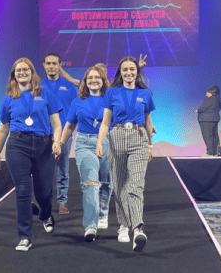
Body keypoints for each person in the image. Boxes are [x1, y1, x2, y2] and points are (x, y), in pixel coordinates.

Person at [0, 57, 62, 251]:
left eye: (25, 70)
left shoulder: (46, 94)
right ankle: (25, 236)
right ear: (13, 75)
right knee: (23, 191)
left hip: (44, 144)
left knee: (44, 191)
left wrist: (57, 141)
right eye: (18, 70)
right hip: (17, 144)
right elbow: (2, 129)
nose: (22, 73)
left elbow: (56, 124)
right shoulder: (8, 98)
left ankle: (45, 214)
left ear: (32, 72)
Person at [96, 56, 155, 252]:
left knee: (136, 185)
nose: (129, 73)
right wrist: (99, 143)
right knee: (120, 185)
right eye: (125, 70)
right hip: (117, 137)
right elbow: (105, 122)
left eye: (132, 69)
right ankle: (123, 225)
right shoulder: (112, 92)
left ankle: (137, 230)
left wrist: (150, 145)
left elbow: (148, 121)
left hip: (138, 138)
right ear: (120, 73)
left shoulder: (145, 93)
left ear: (137, 72)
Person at [58, 66, 113, 242]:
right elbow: (69, 126)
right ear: (85, 81)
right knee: (90, 183)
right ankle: (90, 225)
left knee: (106, 182)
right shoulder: (78, 101)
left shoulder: (110, 98)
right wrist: (60, 144)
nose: (93, 80)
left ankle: (103, 213)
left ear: (103, 80)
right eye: (89, 78)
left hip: (105, 142)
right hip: (84, 143)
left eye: (97, 77)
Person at [41, 53, 78, 214]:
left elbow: (76, 109)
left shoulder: (70, 86)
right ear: (43, 65)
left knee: (63, 170)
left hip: (63, 134)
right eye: (48, 63)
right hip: (43, 134)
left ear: (59, 65)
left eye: (54, 63)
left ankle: (62, 202)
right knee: (44, 171)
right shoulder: (38, 85)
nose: (51, 66)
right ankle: (45, 203)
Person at [196, 85, 221, 156]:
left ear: (210, 92)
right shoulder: (217, 99)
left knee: (208, 136)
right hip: (214, 120)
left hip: (206, 120)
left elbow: (203, 108)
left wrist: (198, 110)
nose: (206, 93)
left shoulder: (210, 99)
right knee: (214, 136)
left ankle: (210, 152)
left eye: (207, 92)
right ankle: (215, 152)